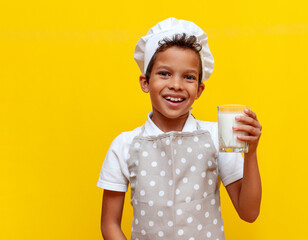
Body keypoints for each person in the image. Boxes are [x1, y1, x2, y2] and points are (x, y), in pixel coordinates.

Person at [97, 17, 262, 240]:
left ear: (199, 89)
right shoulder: (124, 145)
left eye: (189, 77)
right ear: (145, 82)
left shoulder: (216, 137)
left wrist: (250, 153)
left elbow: (249, 212)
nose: (176, 85)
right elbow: (109, 224)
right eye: (164, 73)